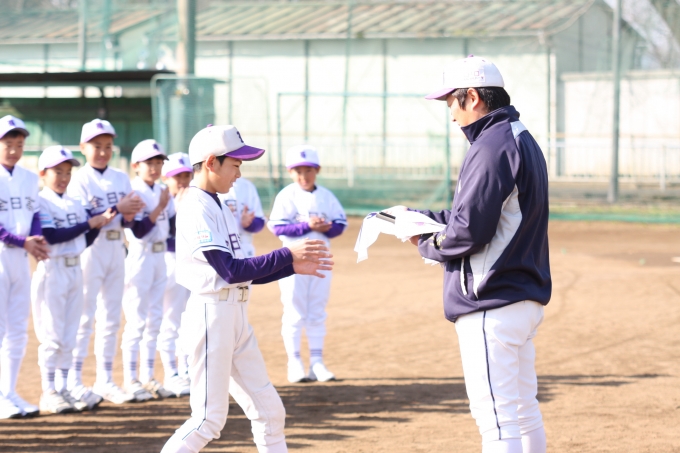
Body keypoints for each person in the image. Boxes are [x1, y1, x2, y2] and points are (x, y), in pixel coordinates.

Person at [387, 55, 551, 453]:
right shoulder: (519, 136)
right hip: (518, 296)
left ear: (473, 97)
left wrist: (422, 241)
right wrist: (421, 217)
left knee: (496, 421)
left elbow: (469, 231)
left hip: (490, 299)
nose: (451, 114)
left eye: (451, 102)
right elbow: (479, 214)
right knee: (522, 411)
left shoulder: (491, 145)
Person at [161, 125, 333, 453]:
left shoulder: (218, 204)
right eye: (235, 164)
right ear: (211, 162)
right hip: (211, 316)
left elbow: (242, 273)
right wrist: (286, 254)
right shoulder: (195, 205)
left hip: (234, 316)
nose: (239, 174)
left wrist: (290, 266)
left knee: (270, 413)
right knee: (207, 420)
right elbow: (228, 271)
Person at [32, 146, 115, 414]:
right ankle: (49, 391)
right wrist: (91, 224)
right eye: (58, 172)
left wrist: (99, 224)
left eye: (68, 172)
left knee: (70, 334)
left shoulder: (75, 202)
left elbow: (85, 239)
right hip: (52, 269)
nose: (64, 177)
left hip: (75, 270)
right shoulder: (41, 201)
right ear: (43, 173)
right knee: (52, 335)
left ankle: (64, 387)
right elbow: (53, 236)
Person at [67, 119, 144, 407]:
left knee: (111, 318)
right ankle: (74, 381)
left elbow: (127, 218)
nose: (102, 151)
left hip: (116, 247)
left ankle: (105, 379)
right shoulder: (79, 179)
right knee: (84, 317)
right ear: (83, 147)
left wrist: (130, 214)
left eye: (108, 146)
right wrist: (118, 209)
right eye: (96, 146)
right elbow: (85, 218)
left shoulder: (121, 177)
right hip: (91, 249)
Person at [267, 145, 347, 383]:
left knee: (317, 311)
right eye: (298, 171)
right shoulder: (287, 195)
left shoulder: (326, 196)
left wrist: (327, 228)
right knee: (294, 310)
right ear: (290, 172)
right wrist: (307, 226)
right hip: (292, 261)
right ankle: (294, 363)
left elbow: (340, 225)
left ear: (317, 170)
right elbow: (277, 227)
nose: (304, 176)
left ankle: (317, 363)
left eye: (308, 170)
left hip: (320, 259)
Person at [0, 115, 48, 418]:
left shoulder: (29, 178)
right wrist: (23, 241)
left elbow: (35, 214)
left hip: (19, 258)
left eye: (19, 144)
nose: (14, 150)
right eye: (8, 143)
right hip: (2, 255)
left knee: (18, 330)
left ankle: (9, 392)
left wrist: (36, 238)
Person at [120, 139, 176, 401]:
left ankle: (149, 376)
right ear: (136, 166)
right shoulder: (133, 192)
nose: (155, 167)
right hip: (140, 256)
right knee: (137, 320)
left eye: (158, 162)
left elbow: (173, 228)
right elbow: (139, 230)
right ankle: (130, 379)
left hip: (160, 257)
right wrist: (160, 207)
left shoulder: (163, 190)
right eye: (149, 163)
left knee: (155, 319)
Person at [157, 152, 193, 397]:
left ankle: (186, 369)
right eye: (176, 176)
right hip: (166, 263)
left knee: (188, 321)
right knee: (170, 320)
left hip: (188, 265)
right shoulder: (161, 201)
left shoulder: (194, 199)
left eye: (186, 175)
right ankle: (171, 373)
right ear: (166, 178)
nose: (182, 181)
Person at [218, 176, 266, 258]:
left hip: (245, 246)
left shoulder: (247, 186)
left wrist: (249, 223)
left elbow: (260, 221)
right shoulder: (207, 186)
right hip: (219, 245)